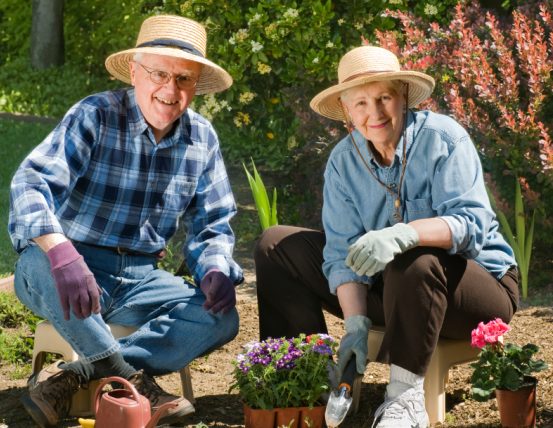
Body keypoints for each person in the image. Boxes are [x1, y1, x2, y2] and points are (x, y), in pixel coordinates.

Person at [254, 45, 519, 427]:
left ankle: (404, 399)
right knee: (275, 244)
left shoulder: (444, 139)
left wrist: (407, 233)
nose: (374, 113)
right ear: (346, 110)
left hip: (474, 294)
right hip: (395, 291)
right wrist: (357, 323)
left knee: (414, 256)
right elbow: (341, 252)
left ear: (404, 97)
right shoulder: (344, 161)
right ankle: (310, 379)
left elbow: (471, 224)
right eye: (360, 102)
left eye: (384, 98)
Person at [9, 15, 243, 427]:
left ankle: (79, 377)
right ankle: (137, 383)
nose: (170, 90)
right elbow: (31, 184)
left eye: (184, 78)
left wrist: (215, 268)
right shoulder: (95, 115)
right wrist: (61, 252)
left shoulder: (202, 138)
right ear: (134, 71)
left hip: (142, 280)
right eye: (158, 73)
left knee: (222, 316)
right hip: (71, 268)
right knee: (35, 262)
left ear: (195, 84)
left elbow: (214, 222)